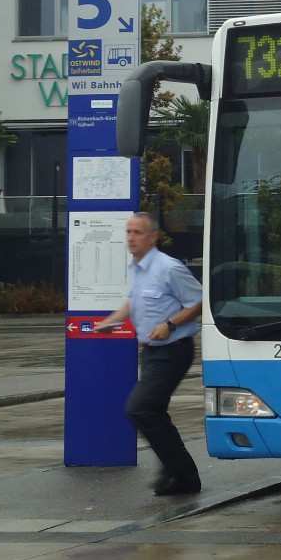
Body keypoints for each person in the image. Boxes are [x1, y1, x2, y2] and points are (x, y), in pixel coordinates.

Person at [93, 212, 204, 496]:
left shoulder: (169, 267)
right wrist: (111, 321)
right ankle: (177, 472)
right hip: (150, 352)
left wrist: (170, 324)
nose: (131, 238)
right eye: (128, 232)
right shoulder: (136, 268)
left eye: (137, 233)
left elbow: (199, 301)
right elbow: (133, 301)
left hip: (174, 350)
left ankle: (182, 473)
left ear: (153, 237)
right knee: (152, 411)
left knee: (139, 408)